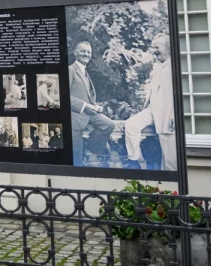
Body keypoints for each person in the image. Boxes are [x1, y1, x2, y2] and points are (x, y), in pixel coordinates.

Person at [124, 34, 176, 170]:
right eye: (153, 47)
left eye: (157, 47)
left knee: (170, 159)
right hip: (153, 110)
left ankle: (171, 189)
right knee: (130, 125)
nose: (154, 50)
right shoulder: (158, 66)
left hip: (167, 113)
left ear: (168, 47)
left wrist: (173, 116)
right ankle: (137, 160)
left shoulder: (174, 67)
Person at [69, 41, 115, 160]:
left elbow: (87, 94)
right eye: (83, 51)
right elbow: (62, 97)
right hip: (75, 116)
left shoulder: (85, 72)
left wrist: (94, 105)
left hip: (89, 113)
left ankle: (90, 148)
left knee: (108, 125)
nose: (86, 54)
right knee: (76, 157)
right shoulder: (70, 70)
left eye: (88, 52)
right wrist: (84, 106)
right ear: (75, 53)